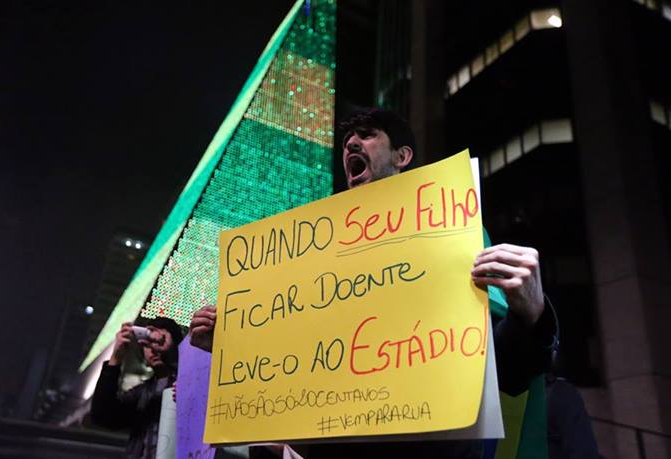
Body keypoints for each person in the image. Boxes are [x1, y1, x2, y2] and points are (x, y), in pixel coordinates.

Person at [190, 108, 559, 458]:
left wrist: (531, 314)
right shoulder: (310, 261)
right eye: (348, 139)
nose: (351, 144)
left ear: (402, 156)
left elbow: (505, 372)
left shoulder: (452, 227)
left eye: (366, 136)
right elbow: (294, 369)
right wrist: (231, 348)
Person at [91, 317, 184, 459]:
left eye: (159, 341)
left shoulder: (189, 382)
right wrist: (116, 358)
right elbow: (102, 416)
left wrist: (170, 354)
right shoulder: (142, 393)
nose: (153, 349)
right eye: (146, 344)